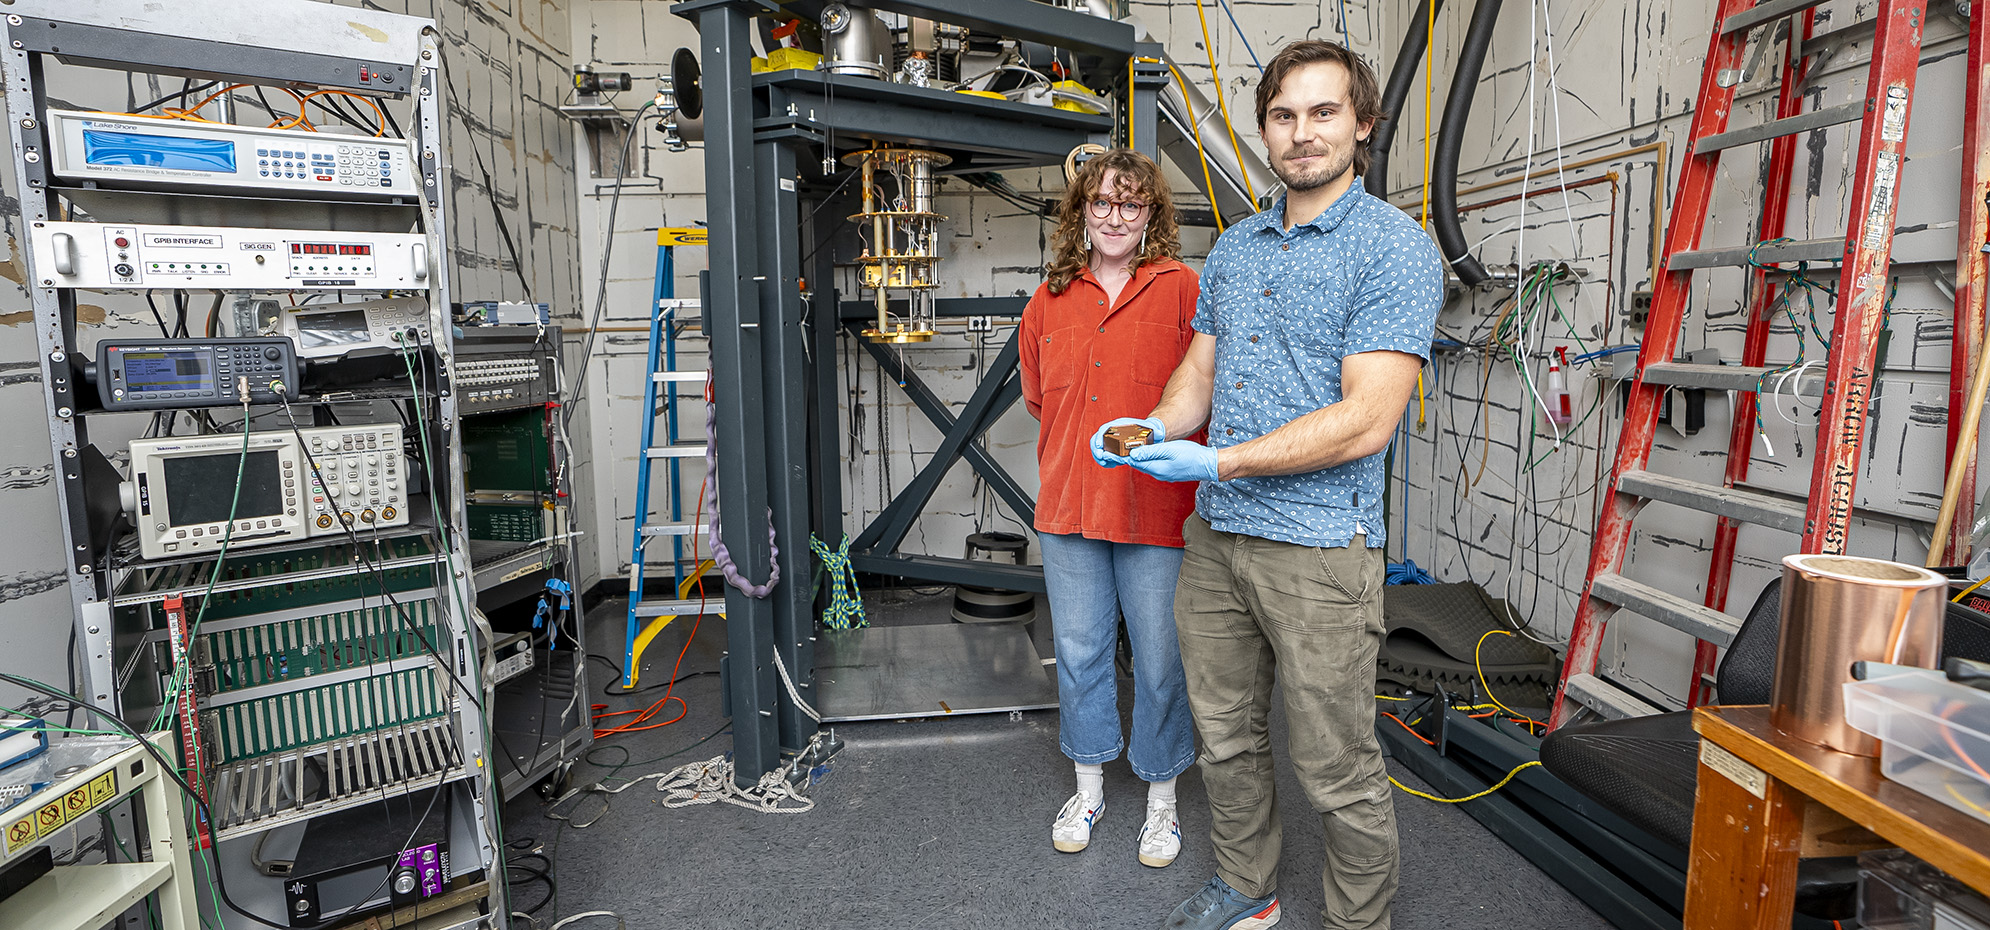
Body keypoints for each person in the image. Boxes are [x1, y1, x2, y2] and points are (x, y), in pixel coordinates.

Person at [1093, 41, 1443, 930]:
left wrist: (1223, 460)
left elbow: (1369, 416)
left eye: (1324, 113)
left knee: (1333, 761)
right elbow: (1199, 375)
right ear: (1266, 129)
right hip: (1217, 542)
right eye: (1284, 116)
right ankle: (1249, 888)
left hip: (1321, 547)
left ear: (1362, 124)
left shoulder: (1394, 249)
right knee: (1226, 737)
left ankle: (1359, 920)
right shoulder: (1240, 247)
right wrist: (1155, 428)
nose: (1302, 134)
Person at [1020, 148, 1202, 869]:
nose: (1115, 217)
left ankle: (1162, 804)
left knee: (1160, 661)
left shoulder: (1184, 288)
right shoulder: (1049, 299)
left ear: (1152, 214)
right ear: (1081, 213)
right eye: (1102, 203)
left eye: (1131, 204)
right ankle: (1089, 787)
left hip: (1156, 509)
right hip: (1069, 504)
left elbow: (1204, 391)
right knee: (1082, 655)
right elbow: (1039, 398)